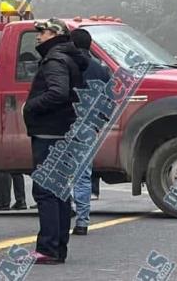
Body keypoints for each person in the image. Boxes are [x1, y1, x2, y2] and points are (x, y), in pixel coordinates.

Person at [23, 18, 87, 264]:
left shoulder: (55, 60)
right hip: (64, 131)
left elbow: (57, 93)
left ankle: (48, 248)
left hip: (49, 132)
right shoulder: (69, 57)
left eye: (41, 32)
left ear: (54, 34)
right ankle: (58, 247)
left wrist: (30, 106)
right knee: (59, 190)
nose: (37, 37)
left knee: (46, 191)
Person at [69, 28, 110, 235]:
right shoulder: (101, 69)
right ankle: (82, 222)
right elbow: (109, 101)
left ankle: (62, 214)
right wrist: (98, 123)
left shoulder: (65, 65)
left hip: (66, 124)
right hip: (88, 126)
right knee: (83, 176)